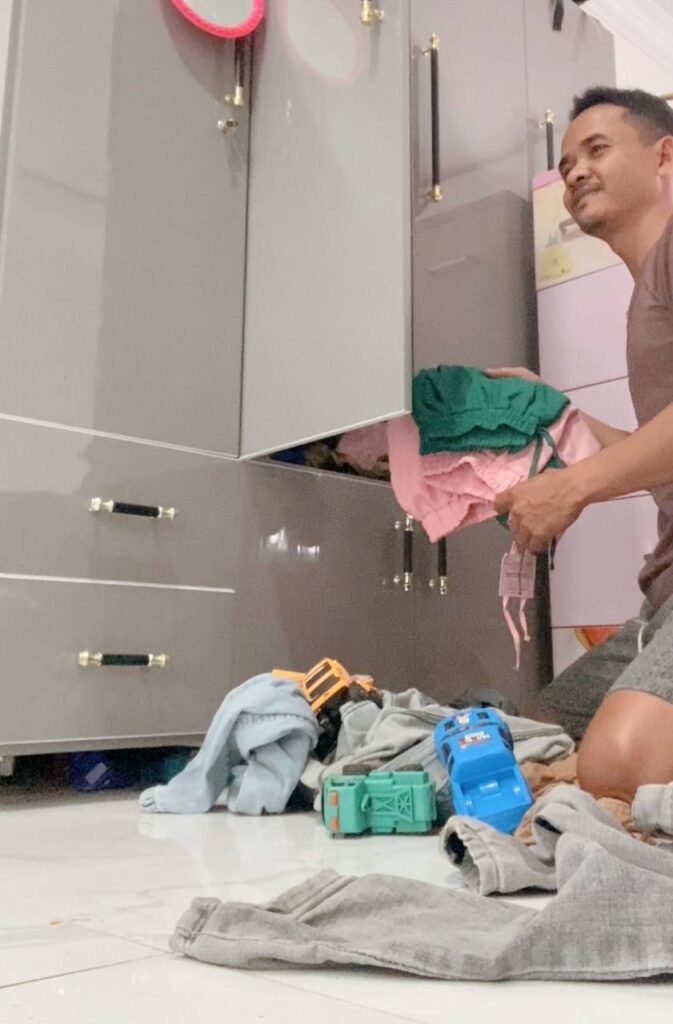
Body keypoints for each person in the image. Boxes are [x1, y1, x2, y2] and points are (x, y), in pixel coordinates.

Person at [489, 86, 673, 803]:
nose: (574, 172)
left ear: (664, 156)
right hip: (659, 602)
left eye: (596, 150)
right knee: (538, 729)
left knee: (619, 767)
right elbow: (653, 453)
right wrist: (556, 410)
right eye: (565, 162)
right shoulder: (644, 295)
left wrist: (570, 487)